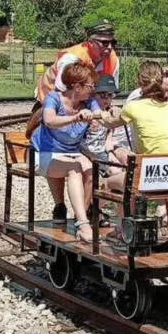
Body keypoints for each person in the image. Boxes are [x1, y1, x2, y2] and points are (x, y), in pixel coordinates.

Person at [27, 21, 120, 223]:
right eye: (104, 43)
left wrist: (112, 114)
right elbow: (60, 98)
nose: (109, 48)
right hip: (51, 104)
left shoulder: (111, 61)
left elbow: (103, 103)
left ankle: (85, 212)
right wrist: (76, 116)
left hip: (80, 102)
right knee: (64, 153)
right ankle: (61, 206)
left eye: (112, 43)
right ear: (90, 42)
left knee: (87, 166)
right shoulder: (71, 60)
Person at [92, 61, 168, 236]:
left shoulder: (133, 107)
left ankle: (122, 228)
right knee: (134, 178)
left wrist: (99, 114)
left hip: (148, 176)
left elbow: (110, 123)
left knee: (108, 184)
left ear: (139, 81)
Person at [31, 63, 103, 243]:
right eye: (90, 86)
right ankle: (83, 224)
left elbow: (100, 116)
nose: (93, 89)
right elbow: (49, 120)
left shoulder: (89, 101)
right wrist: (75, 118)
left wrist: (103, 117)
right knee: (75, 168)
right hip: (44, 153)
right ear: (77, 87)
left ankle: (81, 215)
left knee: (91, 170)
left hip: (72, 153)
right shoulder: (54, 98)